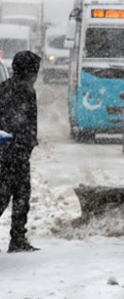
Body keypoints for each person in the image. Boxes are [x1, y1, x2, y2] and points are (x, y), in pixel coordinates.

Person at [0, 50, 41, 253]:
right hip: (16, 152)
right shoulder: (26, 91)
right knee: (19, 195)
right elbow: (28, 123)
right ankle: (17, 238)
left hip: (5, 150)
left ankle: (18, 237)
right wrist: (28, 144)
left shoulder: (3, 88)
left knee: (8, 193)